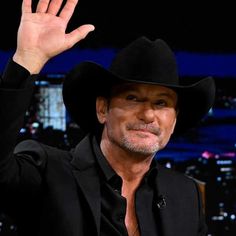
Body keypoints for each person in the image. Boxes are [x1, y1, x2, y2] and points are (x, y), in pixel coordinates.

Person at [0, 0, 216, 235]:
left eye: (161, 103)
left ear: (173, 121)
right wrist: (26, 60)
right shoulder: (46, 171)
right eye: (133, 98)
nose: (147, 114)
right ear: (103, 109)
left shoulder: (185, 194)